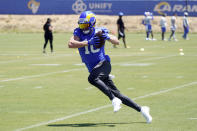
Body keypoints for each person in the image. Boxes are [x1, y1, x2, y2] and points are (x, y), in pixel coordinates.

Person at [68, 11, 152, 123]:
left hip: (104, 64)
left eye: (85, 24)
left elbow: (116, 41)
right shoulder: (78, 32)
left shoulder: (99, 31)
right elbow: (70, 44)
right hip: (95, 70)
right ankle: (142, 110)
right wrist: (88, 42)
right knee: (118, 94)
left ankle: (113, 99)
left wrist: (107, 36)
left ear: (92, 23)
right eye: (81, 24)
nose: (82, 27)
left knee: (92, 79)